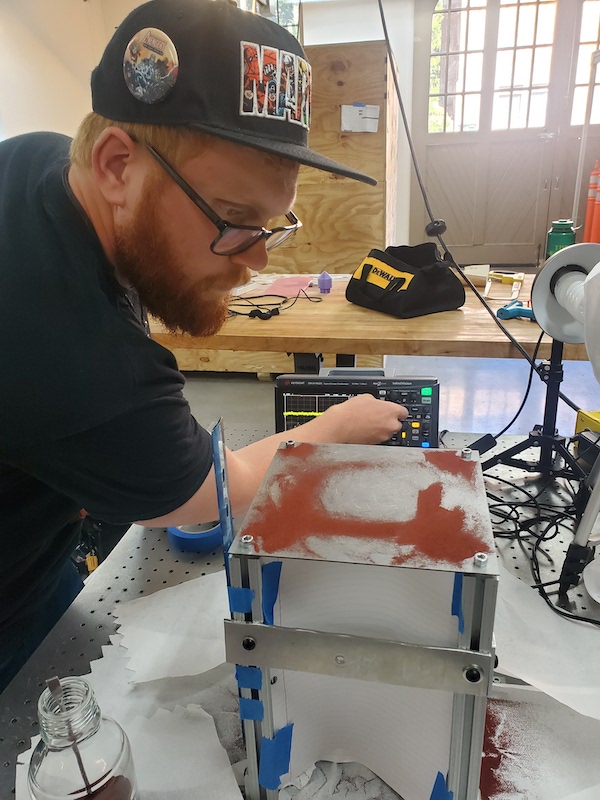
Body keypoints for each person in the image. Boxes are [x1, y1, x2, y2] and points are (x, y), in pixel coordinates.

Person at [0, 0, 408, 692]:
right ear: (116, 165)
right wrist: (337, 427)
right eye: (235, 218)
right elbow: (207, 492)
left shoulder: (43, 162)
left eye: (271, 225)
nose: (255, 263)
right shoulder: (80, 358)